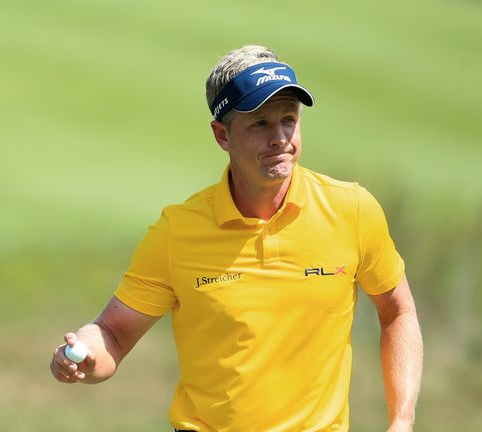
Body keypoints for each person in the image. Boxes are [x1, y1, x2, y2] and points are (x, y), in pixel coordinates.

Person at [50, 45, 423, 432]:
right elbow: (114, 332)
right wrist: (86, 355)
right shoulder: (177, 232)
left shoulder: (353, 210)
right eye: (260, 124)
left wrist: (402, 419)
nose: (280, 138)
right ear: (222, 135)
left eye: (289, 120)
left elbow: (397, 311)